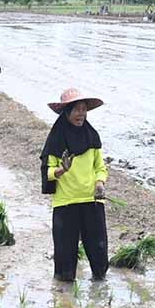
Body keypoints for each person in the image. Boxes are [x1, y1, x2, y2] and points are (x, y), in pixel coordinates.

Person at [40, 88, 109, 282]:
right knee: (65, 259)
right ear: (67, 113)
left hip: (92, 201)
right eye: (77, 110)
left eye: (84, 109)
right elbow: (48, 172)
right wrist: (62, 170)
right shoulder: (56, 140)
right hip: (65, 203)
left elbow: (100, 167)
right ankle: (64, 298)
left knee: (99, 251)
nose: (81, 114)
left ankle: (100, 290)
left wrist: (100, 183)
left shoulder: (92, 137)